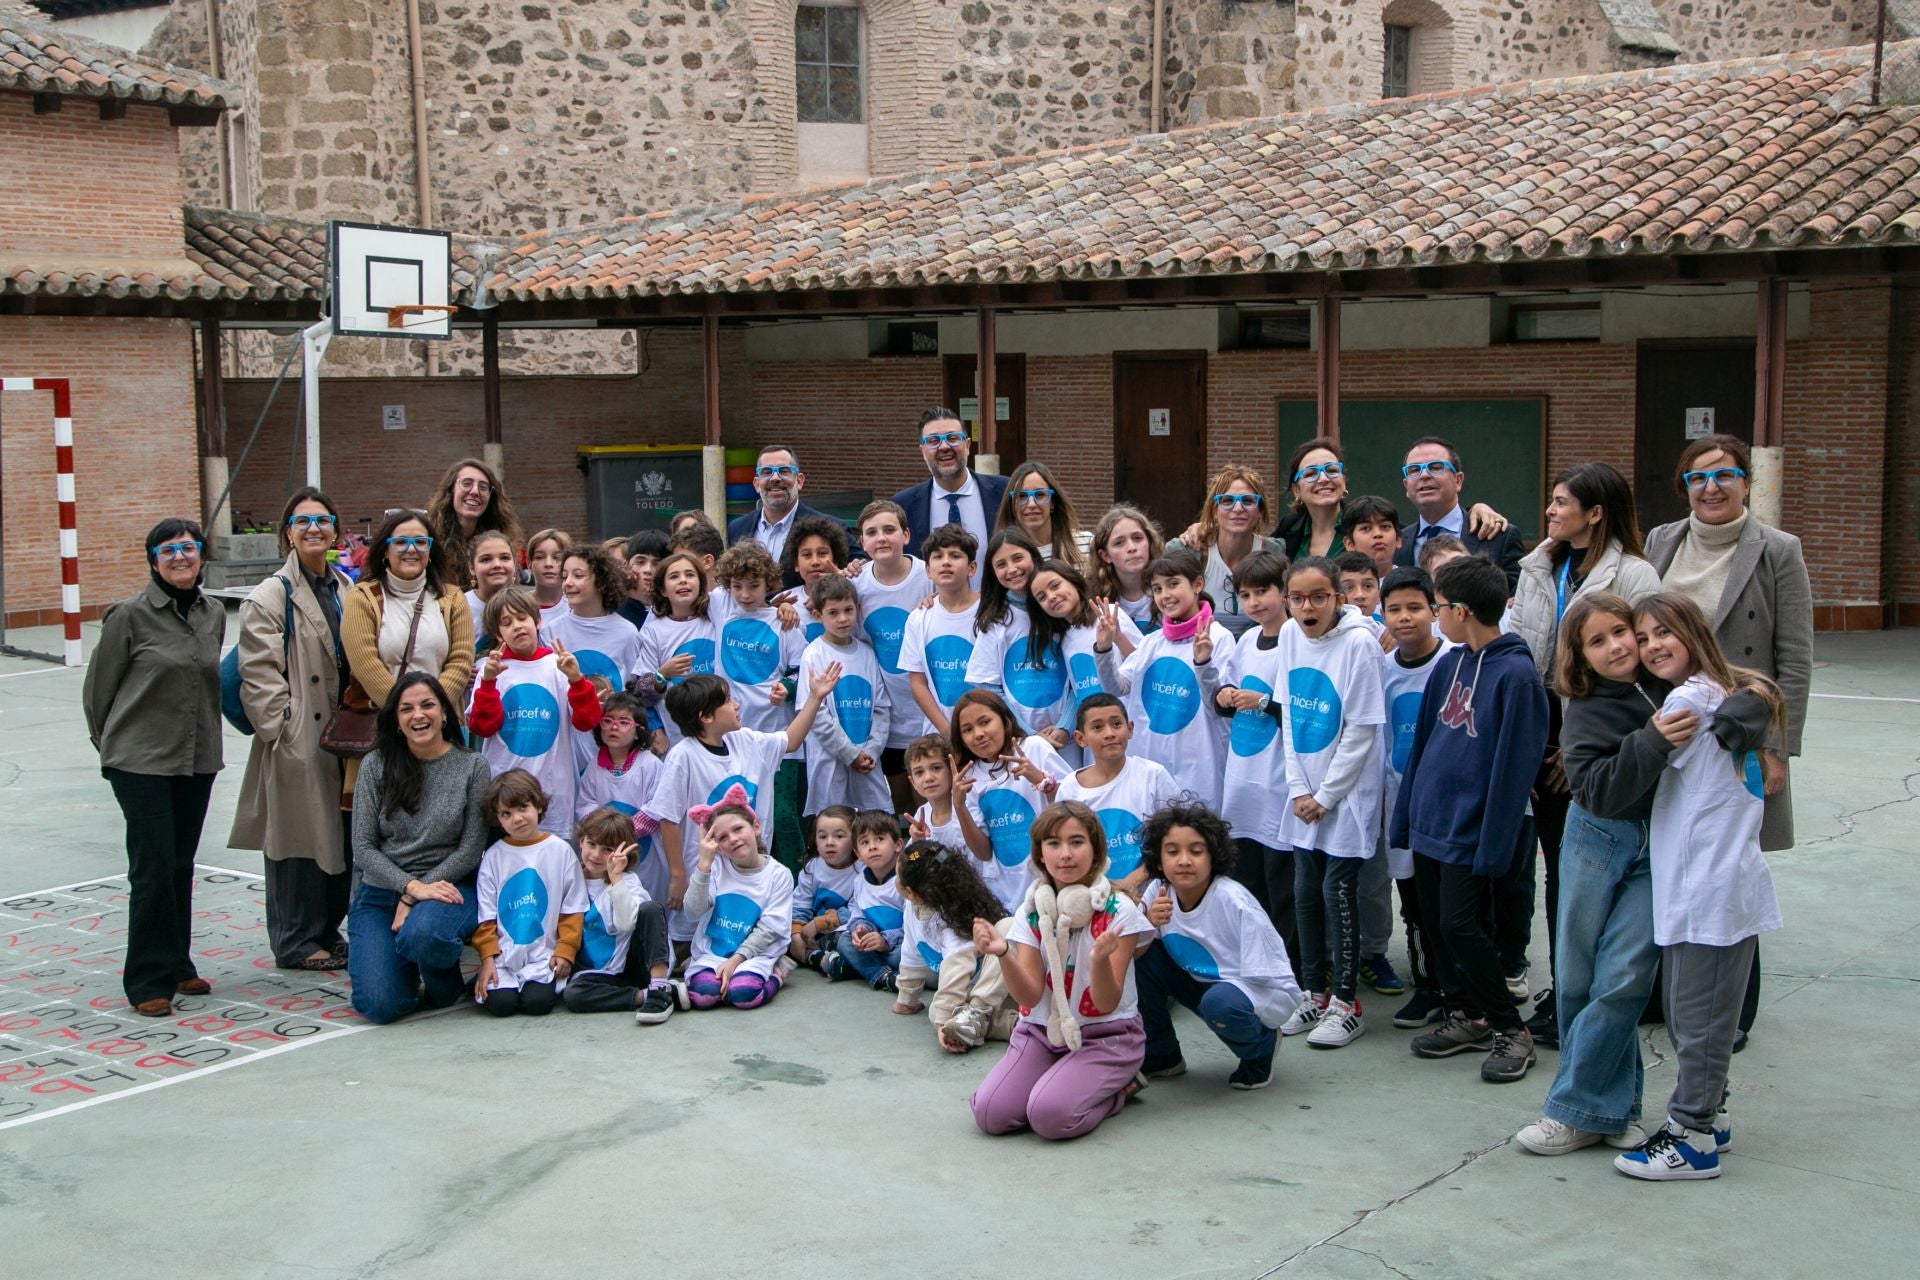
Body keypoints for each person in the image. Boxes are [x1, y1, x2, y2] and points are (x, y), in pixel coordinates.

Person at [1511, 594, 1689, 1157]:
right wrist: (1655, 739)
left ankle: (1570, 1110)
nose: (1618, 647)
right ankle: (1612, 1110)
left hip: (1658, 846)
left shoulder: (1672, 684)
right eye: (1598, 641)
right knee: (1580, 977)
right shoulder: (1583, 705)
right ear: (1580, 656)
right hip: (1596, 842)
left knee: (1625, 978)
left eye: (1623, 632)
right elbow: (1600, 790)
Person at [1615, 592, 1784, 1181]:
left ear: (1693, 632)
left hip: (1709, 886)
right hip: (1711, 881)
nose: (1653, 645)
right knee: (1698, 1015)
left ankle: (1693, 1140)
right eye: (1644, 636)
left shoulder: (1689, 700)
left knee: (1699, 1018)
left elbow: (1634, 772)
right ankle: (1712, 1113)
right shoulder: (1727, 694)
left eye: (1666, 632)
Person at [1506, 461, 1662, 1043]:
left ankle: (1604, 992)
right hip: (1540, 732)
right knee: (1557, 868)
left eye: (1562, 502)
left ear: (1595, 513)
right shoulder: (1539, 566)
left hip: (1595, 740)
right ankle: (1567, 990)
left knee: (1596, 872)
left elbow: (1641, 672)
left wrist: (1583, 750)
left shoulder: (1637, 577)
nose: (1550, 511)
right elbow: (1521, 651)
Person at [1391, 556, 1549, 1082]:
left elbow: (1512, 772)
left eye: (1437, 606)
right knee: (1438, 924)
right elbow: (1424, 749)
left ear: (1460, 610)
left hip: (1471, 832)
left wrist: (1494, 846)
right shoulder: (1451, 664)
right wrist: (1406, 816)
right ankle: (1469, 1015)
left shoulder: (1517, 676)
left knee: (1463, 925)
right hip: (1432, 824)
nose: (1435, 616)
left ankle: (1510, 1028)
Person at [83, 518, 225, 1018]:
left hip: (197, 757)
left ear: (202, 556)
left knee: (181, 863)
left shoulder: (212, 614)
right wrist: (112, 748)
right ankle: (148, 977)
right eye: (168, 550)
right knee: (152, 868)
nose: (180, 557)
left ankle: (178, 961)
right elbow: (98, 691)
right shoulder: (129, 616)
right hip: (140, 761)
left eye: (189, 548)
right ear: (153, 560)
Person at [968, 801, 1155, 1141]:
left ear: (1096, 851)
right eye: (1053, 843)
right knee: (990, 1114)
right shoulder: (1032, 911)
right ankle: (1061, 1077)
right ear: (1040, 854)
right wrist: (1004, 954)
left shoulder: (1120, 911)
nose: (1065, 854)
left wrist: (1099, 961)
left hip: (1107, 1037)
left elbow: (1107, 1002)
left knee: (1049, 1118)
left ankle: (1120, 1091)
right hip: (1042, 1033)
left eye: (1076, 842)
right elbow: (1029, 995)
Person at [229, 487, 354, 971]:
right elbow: (258, 675)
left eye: (322, 521)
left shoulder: (345, 587)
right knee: (296, 842)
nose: (313, 529)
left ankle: (326, 929)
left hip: (343, 735)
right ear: (287, 533)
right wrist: (281, 729)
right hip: (299, 735)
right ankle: (295, 940)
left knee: (337, 836)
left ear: (336, 531)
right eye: (302, 522)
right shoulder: (269, 596)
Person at [1271, 556, 1387, 1051]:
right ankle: (1313, 991)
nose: (1307, 607)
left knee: (1337, 891)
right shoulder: (1290, 637)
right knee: (1304, 890)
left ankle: (1346, 1002)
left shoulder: (1359, 644)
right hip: (1304, 792)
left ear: (1339, 597)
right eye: (1297, 598)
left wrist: (1325, 795)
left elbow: (1361, 731)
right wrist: (1299, 789)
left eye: (1319, 596)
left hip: (1345, 792)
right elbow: (1292, 719)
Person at [638, 669, 840, 953]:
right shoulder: (683, 756)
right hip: (706, 869)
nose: (737, 705)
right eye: (728, 701)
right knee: (692, 941)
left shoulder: (745, 740)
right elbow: (668, 818)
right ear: (705, 717)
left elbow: (790, 740)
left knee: (746, 938)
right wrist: (677, 875)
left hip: (749, 867)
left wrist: (816, 697)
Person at [347, 672, 491, 1025]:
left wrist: (417, 897)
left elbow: (471, 849)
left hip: (448, 889)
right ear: (396, 721)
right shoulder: (375, 765)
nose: (418, 715)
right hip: (381, 896)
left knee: (425, 935)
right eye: (406, 709)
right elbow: (363, 849)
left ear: (445, 712)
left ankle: (440, 978)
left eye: (428, 705)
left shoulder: (472, 765)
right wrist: (409, 888)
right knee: (380, 1005)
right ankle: (406, 961)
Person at [1136, 803, 1303, 1090]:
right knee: (1141, 955)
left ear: (1214, 857)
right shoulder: (1158, 892)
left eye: (1196, 851)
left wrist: (1252, 1013)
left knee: (1220, 1004)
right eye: (1173, 851)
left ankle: (1260, 1048)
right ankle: (1163, 1055)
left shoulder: (1233, 901)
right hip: (1203, 983)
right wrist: (1148, 924)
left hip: (1251, 989)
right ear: (1159, 860)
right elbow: (1135, 955)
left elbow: (1271, 975)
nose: (1184, 860)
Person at [341, 507, 475, 804]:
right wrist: (407, 716)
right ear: (385, 550)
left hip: (443, 732)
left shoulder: (452, 598)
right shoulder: (362, 598)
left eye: (420, 542)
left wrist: (431, 713)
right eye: (400, 542)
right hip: (382, 732)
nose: (410, 550)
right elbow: (365, 663)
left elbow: (460, 659)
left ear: (431, 549)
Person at [1213, 550, 1301, 979]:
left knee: (1281, 885)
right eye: (1245, 594)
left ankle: (1291, 969)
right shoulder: (1246, 640)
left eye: (1263, 591)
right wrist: (1225, 696)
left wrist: (1264, 703)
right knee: (1247, 884)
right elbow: (1226, 696)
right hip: (1242, 784)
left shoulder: (1297, 641)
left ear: (1285, 591)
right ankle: (1255, 963)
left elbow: (1304, 711)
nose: (1254, 602)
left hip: (1278, 783)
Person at [1090, 550, 1231, 808]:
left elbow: (1219, 706)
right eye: (1156, 589)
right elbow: (1116, 687)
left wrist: (1202, 663)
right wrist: (1104, 648)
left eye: (1173, 584)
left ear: (1198, 584)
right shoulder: (1152, 643)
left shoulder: (1219, 638)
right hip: (1150, 764)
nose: (1164, 595)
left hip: (1199, 768)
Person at [1376, 566, 1455, 1029]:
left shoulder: (1455, 661)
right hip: (1402, 805)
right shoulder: (1383, 669)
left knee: (1454, 904)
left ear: (1434, 610)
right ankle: (1428, 985)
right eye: (1394, 609)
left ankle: (1461, 987)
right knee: (1415, 902)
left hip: (1448, 807)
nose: (1404, 618)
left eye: (1414, 608)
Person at [466, 585, 604, 836]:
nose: (517, 626)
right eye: (506, 623)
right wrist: (487, 683)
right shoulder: (491, 669)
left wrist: (576, 680)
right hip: (505, 795)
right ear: (498, 634)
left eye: (522, 618)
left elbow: (587, 721)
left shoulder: (557, 665)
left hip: (554, 792)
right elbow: (481, 727)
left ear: (537, 621)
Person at [471, 769, 587, 1017]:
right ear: (497, 819)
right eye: (506, 813)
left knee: (538, 1003)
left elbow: (573, 907)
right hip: (503, 956)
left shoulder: (561, 851)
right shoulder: (493, 856)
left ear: (538, 806)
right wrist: (487, 958)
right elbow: (486, 912)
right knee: (502, 1005)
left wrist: (565, 951)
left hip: (543, 955)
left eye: (523, 807)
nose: (517, 819)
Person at [950, 689, 1072, 912]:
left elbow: (1077, 804)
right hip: (1006, 896)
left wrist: (1041, 780)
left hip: (1054, 883)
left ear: (1005, 719)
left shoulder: (1034, 747)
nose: (978, 733)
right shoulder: (969, 777)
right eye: (967, 730)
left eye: (985, 722)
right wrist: (959, 807)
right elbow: (983, 852)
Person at [895, 838, 1018, 1052]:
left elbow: (957, 967)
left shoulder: (951, 922)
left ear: (910, 891)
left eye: (897, 875)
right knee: (939, 1011)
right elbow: (912, 953)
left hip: (1002, 989)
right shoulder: (911, 909)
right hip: (968, 995)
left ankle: (977, 1014)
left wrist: (942, 1024)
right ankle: (1012, 1025)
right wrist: (908, 998)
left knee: (1009, 927)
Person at [562, 806, 679, 1024]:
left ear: (623, 852)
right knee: (573, 994)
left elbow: (626, 924)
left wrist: (616, 879)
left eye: (607, 849)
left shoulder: (628, 881)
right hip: (603, 974)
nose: (596, 855)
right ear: (580, 841)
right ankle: (644, 996)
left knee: (651, 908)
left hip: (639, 965)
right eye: (591, 844)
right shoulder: (568, 878)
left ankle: (659, 987)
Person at [683, 791, 798, 1010]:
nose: (733, 839)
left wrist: (735, 962)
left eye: (738, 829)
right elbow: (693, 911)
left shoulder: (779, 874)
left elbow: (770, 928)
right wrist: (704, 864)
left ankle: (778, 974)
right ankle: (703, 969)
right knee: (703, 996)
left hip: (755, 953)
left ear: (755, 827)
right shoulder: (714, 868)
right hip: (715, 952)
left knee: (744, 995)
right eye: (722, 837)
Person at [1055, 694, 1179, 892]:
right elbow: (1065, 848)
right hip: (1094, 898)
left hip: (1153, 895)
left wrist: (1133, 880)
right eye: (1097, 727)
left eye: (1116, 724)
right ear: (1080, 738)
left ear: (1130, 729)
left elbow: (1178, 835)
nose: (1109, 733)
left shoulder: (1152, 775)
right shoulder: (1070, 788)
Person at [851, 498, 932, 798]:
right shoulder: (856, 583)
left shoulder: (929, 576)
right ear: (862, 542)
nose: (881, 537)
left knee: (929, 800)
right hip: (888, 719)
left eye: (889, 529)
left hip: (927, 715)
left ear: (906, 535)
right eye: (872, 533)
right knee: (901, 805)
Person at [797, 575, 893, 813]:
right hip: (831, 762)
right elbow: (815, 714)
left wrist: (871, 750)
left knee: (874, 822)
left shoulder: (867, 653)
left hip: (867, 761)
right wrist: (849, 753)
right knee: (834, 824)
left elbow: (881, 707)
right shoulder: (813, 654)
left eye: (848, 610)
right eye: (833, 612)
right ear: (818, 616)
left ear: (857, 609)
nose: (842, 618)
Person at [546, 542, 644, 769]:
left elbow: (632, 689)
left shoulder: (627, 632)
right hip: (569, 743)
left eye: (578, 575)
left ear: (601, 581)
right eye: (565, 576)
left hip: (612, 740)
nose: (568, 582)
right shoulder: (551, 631)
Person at [966, 530, 1066, 742]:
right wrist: (1028, 733)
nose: (1012, 569)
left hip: (1070, 737)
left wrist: (1065, 726)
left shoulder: (1060, 612)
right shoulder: (995, 620)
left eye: (1018, 558)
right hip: (1022, 740)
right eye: (1001, 564)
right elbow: (989, 687)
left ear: (1034, 556)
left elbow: (1081, 676)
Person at [891, 406, 1009, 583]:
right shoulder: (902, 506)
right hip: (934, 607)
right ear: (922, 450)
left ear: (967, 445)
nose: (944, 446)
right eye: (933, 441)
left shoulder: (1004, 491)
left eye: (953, 438)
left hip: (997, 608)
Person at [1392, 436, 1526, 589]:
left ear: (1458, 481)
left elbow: (1516, 601)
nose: (1424, 475)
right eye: (1414, 470)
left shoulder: (1498, 536)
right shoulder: (1396, 544)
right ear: (1406, 486)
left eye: (1436, 467)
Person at [1168, 465, 1286, 637]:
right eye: (1227, 500)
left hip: (1255, 649)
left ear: (1260, 510)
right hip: (1199, 646)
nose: (1237, 509)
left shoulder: (1273, 551)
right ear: (1214, 510)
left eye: (1248, 500)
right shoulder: (1190, 551)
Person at [574, 691, 666, 899]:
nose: (613, 727)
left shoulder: (650, 765)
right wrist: (603, 832)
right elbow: (584, 805)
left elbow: (656, 808)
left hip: (645, 855)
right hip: (604, 857)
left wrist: (619, 832)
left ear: (638, 731)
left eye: (624, 722)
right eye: (607, 721)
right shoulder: (594, 766)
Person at [898, 524, 981, 736]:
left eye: (955, 556)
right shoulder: (918, 618)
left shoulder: (990, 613)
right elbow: (917, 683)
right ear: (927, 570)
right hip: (939, 732)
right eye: (937, 557)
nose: (945, 562)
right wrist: (947, 730)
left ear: (972, 568)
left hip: (986, 729)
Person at [634, 550, 719, 747]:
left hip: (722, 730)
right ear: (663, 590)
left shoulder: (717, 618)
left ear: (701, 583)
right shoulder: (653, 632)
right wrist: (663, 674)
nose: (683, 581)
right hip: (678, 738)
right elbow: (640, 693)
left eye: (690, 575)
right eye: (674, 576)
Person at [821, 809, 908, 990]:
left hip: (899, 945)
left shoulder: (905, 880)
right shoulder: (860, 880)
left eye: (880, 839)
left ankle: (862, 969)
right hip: (874, 947)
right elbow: (858, 915)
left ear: (898, 844)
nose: (872, 847)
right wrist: (861, 930)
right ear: (858, 853)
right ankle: (885, 977)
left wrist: (885, 940)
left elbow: (916, 928)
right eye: (865, 842)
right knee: (845, 942)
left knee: (903, 953)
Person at [725, 444, 826, 575]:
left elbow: (857, 571)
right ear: (756, 484)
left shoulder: (826, 527)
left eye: (784, 471)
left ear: (799, 481)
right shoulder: (737, 529)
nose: (775, 478)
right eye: (766, 472)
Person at [425, 457, 520, 592]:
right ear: (451, 490)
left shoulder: (501, 539)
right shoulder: (429, 540)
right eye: (466, 483)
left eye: (483, 487)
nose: (475, 491)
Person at [790, 804, 862, 966]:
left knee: (847, 940)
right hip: (812, 931)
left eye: (839, 836)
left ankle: (819, 958)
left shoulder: (862, 869)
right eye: (822, 836)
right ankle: (819, 958)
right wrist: (796, 933)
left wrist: (820, 923)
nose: (830, 842)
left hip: (843, 929)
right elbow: (801, 904)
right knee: (782, 937)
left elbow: (858, 910)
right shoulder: (812, 867)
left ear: (855, 839)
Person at [992, 460, 1086, 571]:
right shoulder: (1006, 560)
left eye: (1040, 494)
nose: (1031, 504)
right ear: (1012, 505)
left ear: (1052, 503)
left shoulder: (1086, 543)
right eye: (1022, 496)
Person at [1089, 504, 1165, 635]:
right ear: (1106, 556)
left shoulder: (1169, 590)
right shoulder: (1096, 598)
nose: (1131, 548)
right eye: (1119, 543)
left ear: (1150, 542)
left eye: (1137, 538)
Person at [1273, 439, 1351, 560]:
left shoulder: (1362, 524)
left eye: (1332, 470)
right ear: (1296, 490)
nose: (1324, 478)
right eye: (1311, 474)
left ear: (1344, 481)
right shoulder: (1286, 529)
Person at [903, 734, 968, 850]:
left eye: (936, 768)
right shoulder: (921, 815)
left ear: (952, 770)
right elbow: (909, 862)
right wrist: (917, 842)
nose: (928, 778)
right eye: (919, 772)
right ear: (913, 782)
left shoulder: (969, 807)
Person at [464, 529, 520, 650]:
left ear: (514, 564)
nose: (497, 565)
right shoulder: (459, 607)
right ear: (472, 567)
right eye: (486, 559)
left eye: (504, 558)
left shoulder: (524, 604)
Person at [618, 528, 668, 633]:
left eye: (656, 564)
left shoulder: (672, 612)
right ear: (626, 565)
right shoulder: (613, 610)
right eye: (640, 562)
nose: (648, 570)